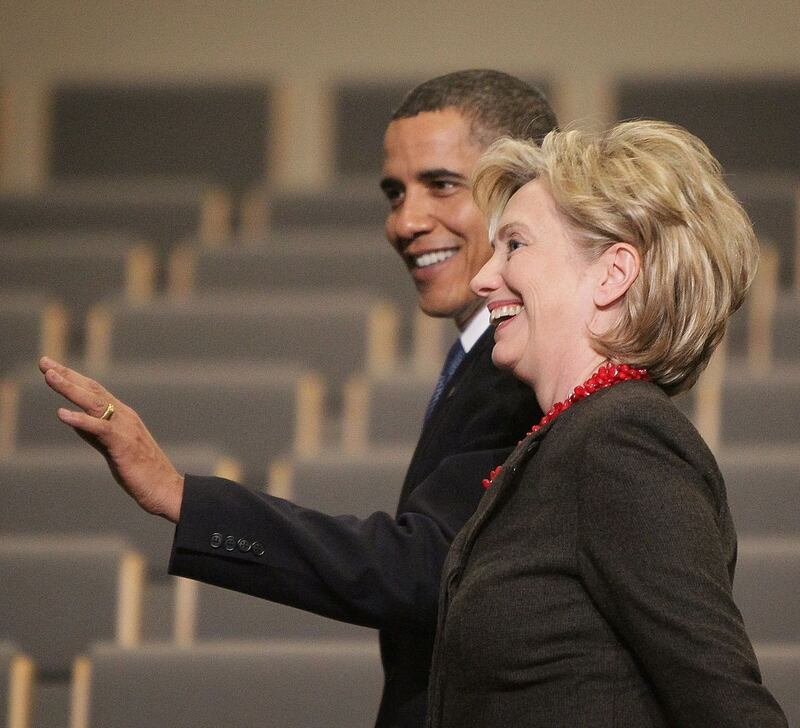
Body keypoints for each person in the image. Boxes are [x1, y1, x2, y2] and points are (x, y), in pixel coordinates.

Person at [39, 70, 557, 728]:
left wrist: (180, 495)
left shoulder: (528, 368)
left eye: (442, 185)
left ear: (523, 192)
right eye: (394, 193)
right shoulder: (483, 359)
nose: (405, 222)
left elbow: (428, 569)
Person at [426, 120, 788, 726]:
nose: (484, 277)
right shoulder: (574, 439)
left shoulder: (623, 443)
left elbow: (724, 703)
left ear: (613, 273)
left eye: (514, 244)